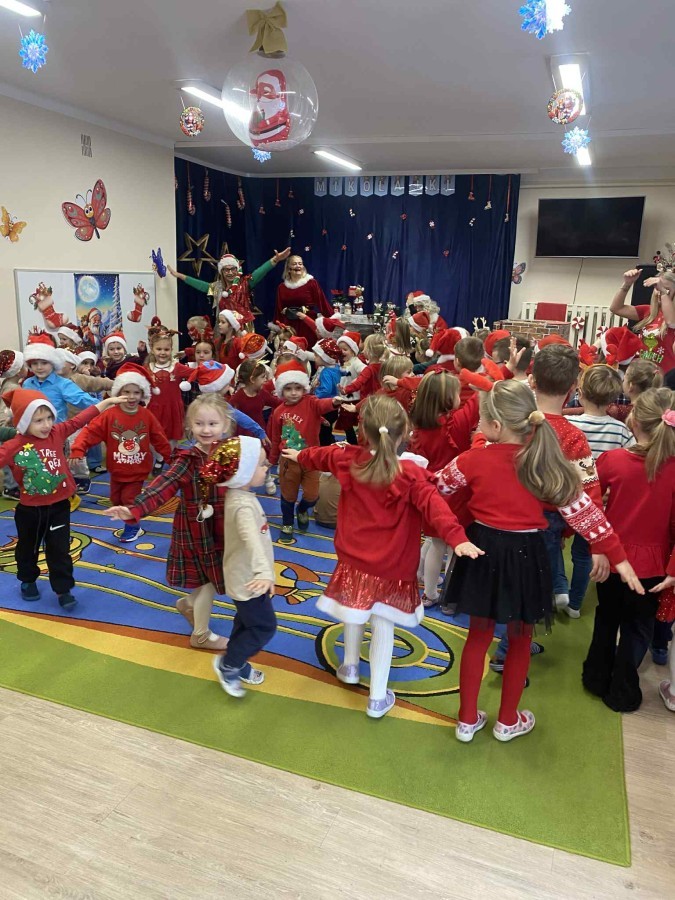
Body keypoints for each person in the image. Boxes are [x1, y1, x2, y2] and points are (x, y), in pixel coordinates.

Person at [435, 381, 642, 743]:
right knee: (519, 638)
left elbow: (437, 488)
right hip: (526, 557)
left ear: (496, 425)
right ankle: (507, 721)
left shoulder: (473, 458)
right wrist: (618, 556)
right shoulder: (544, 465)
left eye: (481, 419)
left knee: (478, 637)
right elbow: (585, 514)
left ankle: (466, 720)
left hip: (481, 553)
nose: (477, 425)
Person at [282, 393, 482, 718]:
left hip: (354, 560)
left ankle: (349, 667)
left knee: (354, 608)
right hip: (392, 568)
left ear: (363, 431)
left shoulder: (349, 458)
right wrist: (457, 538)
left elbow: (321, 455)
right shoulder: (411, 475)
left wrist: (299, 454)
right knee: (382, 625)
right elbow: (437, 509)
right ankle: (377, 698)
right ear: (404, 434)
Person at [105, 394, 233, 650]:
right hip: (196, 529)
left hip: (221, 525)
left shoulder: (229, 452)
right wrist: (135, 509)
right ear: (190, 425)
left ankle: (188, 604)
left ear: (225, 425)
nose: (206, 430)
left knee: (209, 578)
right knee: (208, 581)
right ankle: (201, 634)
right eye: (199, 424)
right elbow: (164, 484)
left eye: (212, 424)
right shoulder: (188, 458)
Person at [583, 388, 675, 712]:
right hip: (652, 567)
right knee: (637, 629)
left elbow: (589, 504)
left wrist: (597, 546)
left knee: (607, 617)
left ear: (634, 420)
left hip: (612, 559)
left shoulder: (614, 460)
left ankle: (595, 677)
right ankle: (622, 690)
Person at [0, 387, 125, 610]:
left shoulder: (56, 433)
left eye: (49, 417)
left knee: (59, 550)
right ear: (24, 422)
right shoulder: (13, 445)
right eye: (38, 420)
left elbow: (80, 419)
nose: (46, 425)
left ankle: (63, 589)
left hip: (59, 507)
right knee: (27, 549)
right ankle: (28, 580)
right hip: (30, 511)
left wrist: (107, 402)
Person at [199, 436, 277, 698]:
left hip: (245, 575)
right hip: (249, 579)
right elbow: (251, 539)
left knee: (246, 622)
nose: (267, 468)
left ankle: (237, 660)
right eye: (262, 465)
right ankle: (229, 664)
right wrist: (264, 572)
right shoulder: (242, 506)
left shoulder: (240, 496)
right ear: (243, 473)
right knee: (264, 626)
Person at [563, 365, 637, 617]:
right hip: (597, 506)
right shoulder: (622, 431)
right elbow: (630, 464)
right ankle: (574, 603)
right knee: (583, 554)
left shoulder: (568, 423)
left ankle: (554, 591)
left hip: (564, 500)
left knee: (552, 546)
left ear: (581, 393)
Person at [70, 362, 172, 542]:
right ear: (118, 392)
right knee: (116, 499)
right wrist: (78, 449)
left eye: (136, 392)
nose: (131, 397)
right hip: (116, 469)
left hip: (138, 470)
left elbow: (159, 438)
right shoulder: (109, 415)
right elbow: (90, 432)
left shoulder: (146, 415)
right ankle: (131, 518)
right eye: (127, 392)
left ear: (142, 393)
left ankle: (133, 526)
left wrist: (172, 458)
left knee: (129, 499)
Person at [267, 359, 344, 543]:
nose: (294, 393)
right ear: (281, 390)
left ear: (304, 388)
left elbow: (323, 405)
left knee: (312, 495)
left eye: (298, 388)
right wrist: (272, 459)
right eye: (288, 389)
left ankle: (302, 509)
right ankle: (287, 523)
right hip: (288, 461)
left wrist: (334, 402)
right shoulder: (278, 412)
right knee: (288, 495)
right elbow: (276, 437)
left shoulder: (311, 402)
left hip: (311, 458)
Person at [168, 247, 291, 317]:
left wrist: (275, 260)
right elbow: (200, 285)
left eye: (233, 269)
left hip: (243, 330)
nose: (230, 273)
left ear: (237, 270)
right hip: (223, 331)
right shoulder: (217, 288)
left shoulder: (245, 284)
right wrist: (179, 275)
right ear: (221, 272)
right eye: (227, 270)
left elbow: (259, 272)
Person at [145, 320, 192, 473]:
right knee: (153, 437)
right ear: (152, 349)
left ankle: (170, 457)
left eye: (166, 349)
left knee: (172, 436)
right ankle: (159, 458)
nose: (162, 352)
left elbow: (196, 373)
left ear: (171, 349)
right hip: (154, 409)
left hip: (173, 408)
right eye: (159, 349)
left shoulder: (176, 367)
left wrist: (213, 372)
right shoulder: (148, 368)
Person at [229, 358, 280, 494]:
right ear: (252, 379)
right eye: (263, 377)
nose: (265, 380)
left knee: (263, 458)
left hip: (259, 432)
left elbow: (277, 403)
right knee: (244, 459)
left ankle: (267, 478)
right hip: (243, 434)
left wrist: (290, 402)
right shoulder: (238, 397)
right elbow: (230, 413)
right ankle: (243, 483)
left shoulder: (262, 394)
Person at [609, 268, 675, 371]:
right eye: (657, 288)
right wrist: (627, 284)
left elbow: (671, 322)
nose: (659, 292)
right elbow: (616, 308)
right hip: (643, 373)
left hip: (665, 375)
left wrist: (663, 292)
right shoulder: (648, 311)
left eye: (666, 289)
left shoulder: (672, 316)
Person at [22, 332, 97, 422]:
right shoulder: (27, 384)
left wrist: (106, 405)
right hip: (32, 429)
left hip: (56, 429)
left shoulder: (63, 384)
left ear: (53, 363)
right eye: (35, 363)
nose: (39, 367)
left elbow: (84, 400)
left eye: (44, 363)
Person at [274, 255, 333, 348]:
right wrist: (275, 328)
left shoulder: (311, 283)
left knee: (307, 350)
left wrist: (332, 319)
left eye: (300, 264)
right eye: (294, 264)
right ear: (288, 268)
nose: (298, 266)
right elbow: (279, 308)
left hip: (307, 324)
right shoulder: (282, 287)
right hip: (289, 326)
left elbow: (322, 302)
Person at [607, 358, 663, 423]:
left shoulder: (618, 411)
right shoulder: (659, 412)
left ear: (631, 386)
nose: (623, 380)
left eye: (624, 379)